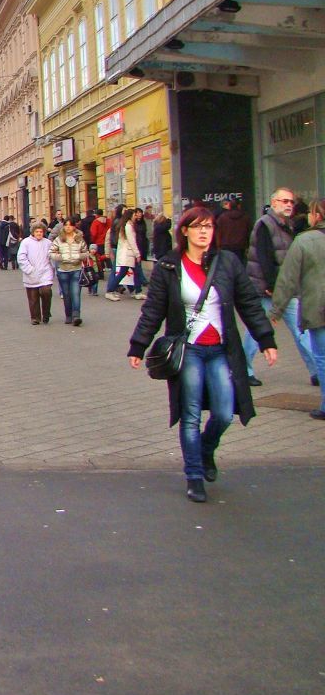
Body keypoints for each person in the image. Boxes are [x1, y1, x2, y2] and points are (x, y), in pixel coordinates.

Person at [128, 206, 277, 503]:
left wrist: (265, 339)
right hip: (190, 351)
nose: (204, 232)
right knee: (191, 414)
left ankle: (206, 450)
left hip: (221, 349)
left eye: (208, 226)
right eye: (197, 227)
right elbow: (153, 309)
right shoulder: (170, 266)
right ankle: (194, 474)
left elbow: (248, 302)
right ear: (185, 231)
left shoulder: (227, 262)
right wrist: (138, 345)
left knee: (223, 413)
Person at [243, 187, 318, 388]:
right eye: (284, 201)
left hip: (286, 289)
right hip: (267, 289)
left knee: (301, 330)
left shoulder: (287, 224)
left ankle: (317, 371)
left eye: (291, 202)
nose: (288, 205)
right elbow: (264, 256)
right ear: (273, 202)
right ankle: (244, 370)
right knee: (256, 330)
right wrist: (271, 285)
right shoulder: (265, 224)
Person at [270, 199, 325, 418]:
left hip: (317, 308)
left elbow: (288, 278)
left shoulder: (304, 241)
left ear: (316, 216)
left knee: (322, 357)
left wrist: (276, 310)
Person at [51, 218, 91, 326]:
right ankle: (68, 315)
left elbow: (86, 253)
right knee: (66, 294)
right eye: (66, 225)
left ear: (74, 227)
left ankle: (76, 316)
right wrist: (61, 257)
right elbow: (51, 252)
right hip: (63, 270)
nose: (68, 227)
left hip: (76, 269)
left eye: (70, 225)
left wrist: (78, 256)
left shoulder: (79, 239)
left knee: (75, 293)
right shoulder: (59, 239)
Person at [18, 221, 55, 324]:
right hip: (31, 273)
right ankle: (35, 317)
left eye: (41, 231)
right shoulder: (26, 242)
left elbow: (52, 255)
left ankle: (46, 313)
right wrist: (29, 269)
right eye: (37, 231)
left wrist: (52, 267)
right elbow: (21, 257)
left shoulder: (47, 243)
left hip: (45, 272)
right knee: (33, 297)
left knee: (46, 291)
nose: (39, 233)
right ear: (33, 232)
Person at [106, 209, 146, 301]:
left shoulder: (127, 225)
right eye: (134, 215)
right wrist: (137, 254)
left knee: (136, 272)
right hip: (128, 254)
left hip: (128, 254)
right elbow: (132, 241)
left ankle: (138, 292)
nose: (136, 217)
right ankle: (110, 291)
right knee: (122, 273)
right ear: (130, 216)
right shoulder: (128, 226)